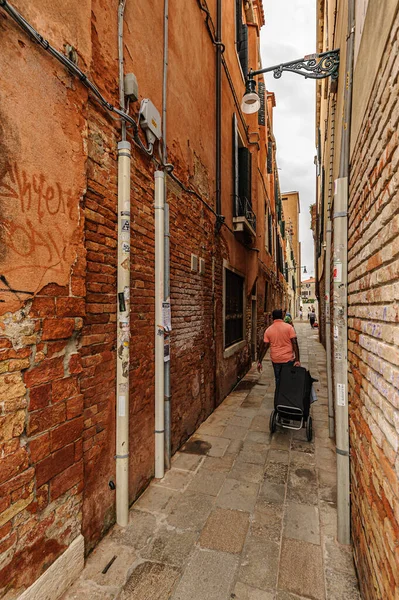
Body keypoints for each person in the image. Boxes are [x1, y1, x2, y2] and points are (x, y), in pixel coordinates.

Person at [257, 308, 301, 399]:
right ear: (282, 316)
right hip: (288, 359)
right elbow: (294, 343)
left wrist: (259, 361)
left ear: (272, 317)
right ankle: (287, 400)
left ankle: (279, 400)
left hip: (275, 359)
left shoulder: (268, 330)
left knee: (278, 379)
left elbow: (264, 347)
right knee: (288, 379)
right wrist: (297, 359)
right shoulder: (289, 328)